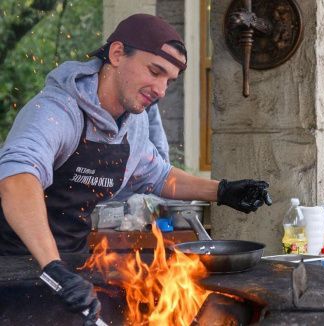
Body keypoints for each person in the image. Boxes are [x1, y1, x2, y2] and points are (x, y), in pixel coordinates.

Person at [0, 14, 271, 324]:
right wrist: (52, 267)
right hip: (12, 268)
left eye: (168, 80)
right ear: (117, 54)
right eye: (155, 71)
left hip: (72, 266)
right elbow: (17, 179)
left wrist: (222, 190)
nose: (161, 90)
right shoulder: (57, 110)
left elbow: (159, 176)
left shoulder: (133, 124)